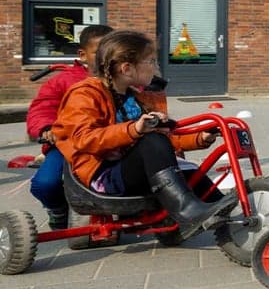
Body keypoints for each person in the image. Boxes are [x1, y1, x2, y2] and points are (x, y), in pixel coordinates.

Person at [52, 30, 235, 241]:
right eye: (150, 61)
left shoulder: (134, 97)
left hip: (132, 168)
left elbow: (162, 140)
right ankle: (187, 211)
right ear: (127, 68)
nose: (156, 66)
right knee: (152, 140)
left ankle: (228, 217)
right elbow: (84, 138)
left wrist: (198, 138)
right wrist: (134, 129)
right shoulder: (85, 93)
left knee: (190, 169)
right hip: (103, 176)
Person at [27, 24, 113, 230]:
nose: (106, 59)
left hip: (107, 140)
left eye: (111, 52)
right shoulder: (63, 81)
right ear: (83, 55)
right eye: (98, 53)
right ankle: (57, 208)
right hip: (67, 143)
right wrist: (46, 128)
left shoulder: (120, 77)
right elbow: (43, 107)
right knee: (45, 184)